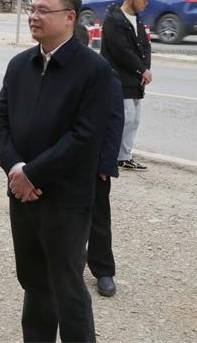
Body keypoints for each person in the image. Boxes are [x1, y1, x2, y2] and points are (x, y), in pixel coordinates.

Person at [0, 0, 113, 342]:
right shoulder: (20, 65)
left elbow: (85, 136)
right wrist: (16, 170)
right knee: (33, 282)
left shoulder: (93, 70)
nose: (33, 16)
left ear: (69, 17)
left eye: (43, 10)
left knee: (67, 286)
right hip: (22, 195)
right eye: (32, 9)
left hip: (65, 200)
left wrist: (33, 174)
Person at [74, 23, 125, 297]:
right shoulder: (53, 71)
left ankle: (103, 270)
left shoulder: (103, 74)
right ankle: (67, 265)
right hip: (59, 161)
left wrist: (106, 163)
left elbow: (114, 122)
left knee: (98, 218)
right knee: (62, 218)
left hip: (94, 164)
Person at [100, 0, 153, 171]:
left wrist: (146, 69)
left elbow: (145, 46)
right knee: (125, 117)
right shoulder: (114, 19)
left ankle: (124, 157)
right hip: (117, 75)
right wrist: (142, 69)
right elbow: (121, 51)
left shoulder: (137, 19)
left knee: (135, 119)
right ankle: (109, 155)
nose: (146, 3)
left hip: (134, 76)